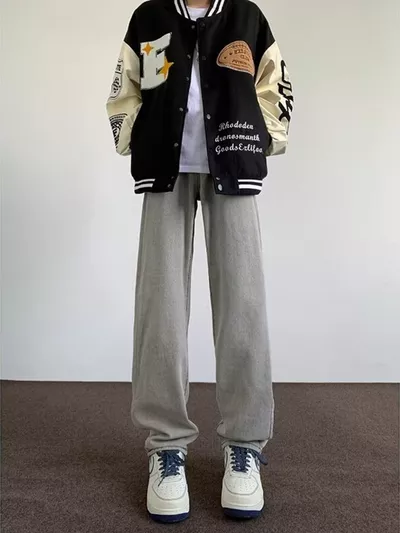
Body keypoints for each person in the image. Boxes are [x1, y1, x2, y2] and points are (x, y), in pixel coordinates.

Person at [106, 0, 293, 523]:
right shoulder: (149, 18)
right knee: (160, 309)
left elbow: (275, 86)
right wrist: (138, 138)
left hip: (234, 165)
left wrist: (262, 139)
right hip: (164, 173)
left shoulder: (247, 18)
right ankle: (166, 446)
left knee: (243, 307)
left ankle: (245, 446)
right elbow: (124, 90)